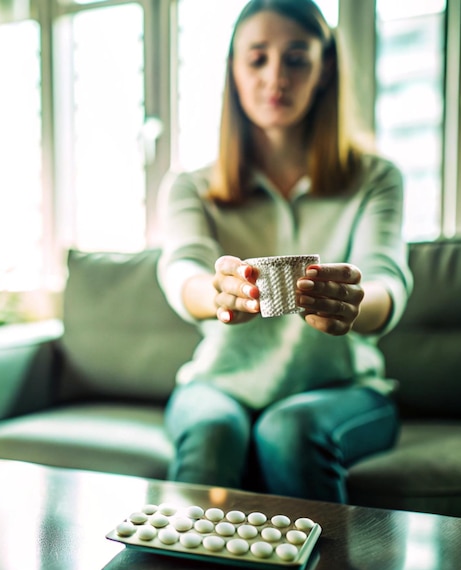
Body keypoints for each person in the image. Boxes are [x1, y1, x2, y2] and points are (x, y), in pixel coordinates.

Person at [156, 0, 413, 503]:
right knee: (211, 428)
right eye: (257, 58)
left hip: (346, 390)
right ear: (234, 69)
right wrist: (219, 294)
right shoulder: (191, 186)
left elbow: (387, 281)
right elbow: (181, 271)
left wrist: (354, 301)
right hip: (219, 383)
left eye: (296, 59)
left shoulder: (376, 179)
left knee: (289, 430)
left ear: (325, 69)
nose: (276, 76)